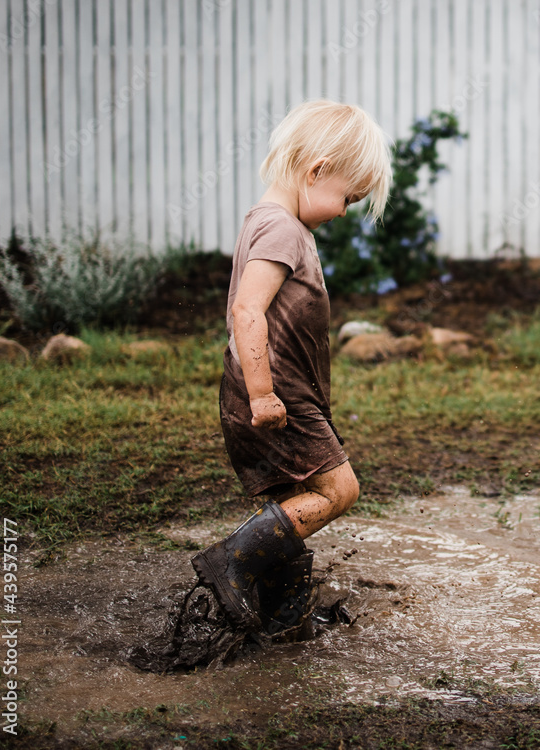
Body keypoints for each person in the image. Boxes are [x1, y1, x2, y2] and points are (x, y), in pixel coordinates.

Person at [191, 99, 392, 636]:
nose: (346, 211)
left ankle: (282, 614)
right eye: (348, 196)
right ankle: (233, 559)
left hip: (276, 391)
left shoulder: (274, 222)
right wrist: (262, 393)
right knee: (338, 491)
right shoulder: (281, 228)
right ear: (317, 170)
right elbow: (246, 309)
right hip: (276, 394)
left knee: (289, 502)